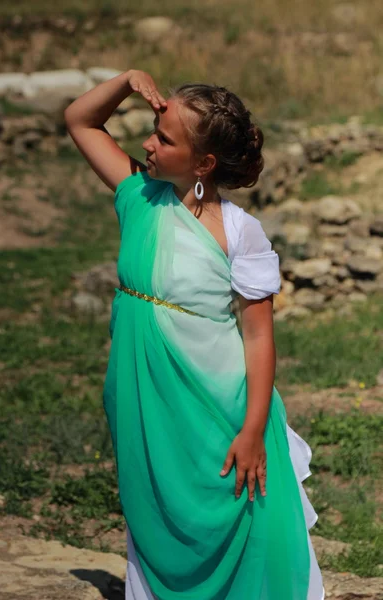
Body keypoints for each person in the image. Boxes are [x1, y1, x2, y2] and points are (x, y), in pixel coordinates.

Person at [64, 69, 325, 600]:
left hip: (214, 401)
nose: (147, 142)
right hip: (144, 392)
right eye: (153, 131)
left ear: (203, 164)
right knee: (155, 503)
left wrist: (252, 431)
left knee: (230, 505)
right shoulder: (138, 193)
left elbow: (257, 338)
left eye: (163, 138)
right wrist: (125, 82)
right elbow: (80, 120)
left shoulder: (239, 232)